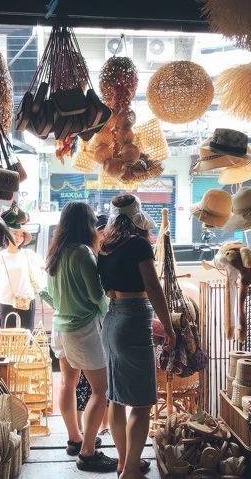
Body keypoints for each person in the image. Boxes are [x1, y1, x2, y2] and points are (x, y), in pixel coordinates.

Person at [98, 194, 176, 479]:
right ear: (137, 215)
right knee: (142, 403)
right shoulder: (139, 244)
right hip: (133, 321)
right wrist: (168, 326)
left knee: (116, 399)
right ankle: (131, 470)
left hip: (111, 320)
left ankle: (124, 461)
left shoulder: (105, 245)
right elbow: (154, 289)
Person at [46, 202, 118, 473]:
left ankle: (75, 439)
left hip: (61, 327)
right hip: (83, 329)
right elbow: (96, 296)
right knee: (101, 390)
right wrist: (112, 312)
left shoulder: (56, 252)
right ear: (87, 224)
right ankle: (88, 453)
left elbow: (50, 295)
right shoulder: (83, 253)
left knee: (68, 382)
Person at [75, 215, 110, 435]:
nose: (104, 237)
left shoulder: (102, 255)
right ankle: (85, 433)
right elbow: (97, 295)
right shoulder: (87, 254)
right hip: (91, 325)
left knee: (100, 386)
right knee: (91, 386)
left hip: (96, 326)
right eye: (102, 232)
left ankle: (102, 426)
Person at [0, 225, 44, 331]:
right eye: (15, 233)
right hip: (6, 301)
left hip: (27, 300)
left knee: (27, 337)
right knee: (9, 339)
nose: (18, 237)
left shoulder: (28, 254)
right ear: (7, 235)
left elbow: (44, 266)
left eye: (21, 235)